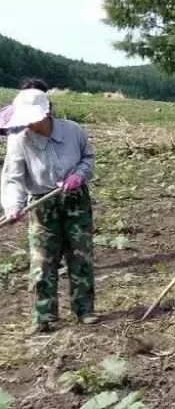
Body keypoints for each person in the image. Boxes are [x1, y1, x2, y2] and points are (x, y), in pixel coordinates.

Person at [1, 88, 97, 333]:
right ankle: (44, 316)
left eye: (34, 120)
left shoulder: (73, 130)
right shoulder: (18, 140)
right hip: (43, 203)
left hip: (75, 200)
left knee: (80, 255)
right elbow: (13, 178)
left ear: (48, 113)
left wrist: (79, 175)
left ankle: (84, 310)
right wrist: (13, 205)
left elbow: (88, 157)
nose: (30, 125)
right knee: (42, 261)